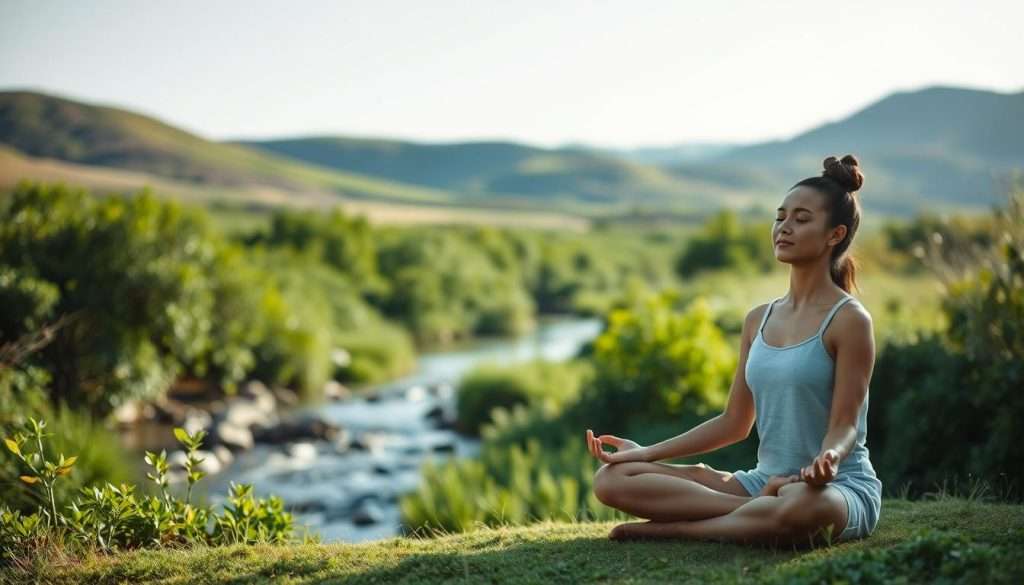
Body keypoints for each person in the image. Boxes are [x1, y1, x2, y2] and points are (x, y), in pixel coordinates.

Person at [586, 154, 882, 547]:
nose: (784, 227)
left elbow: (845, 424)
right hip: (764, 484)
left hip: (836, 488)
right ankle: (755, 510)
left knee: (802, 505)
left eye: (801, 218)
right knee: (613, 479)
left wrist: (828, 458)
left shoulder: (850, 320)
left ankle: (677, 530)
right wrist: (646, 454)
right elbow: (734, 422)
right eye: (781, 217)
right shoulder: (758, 318)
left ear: (834, 234)